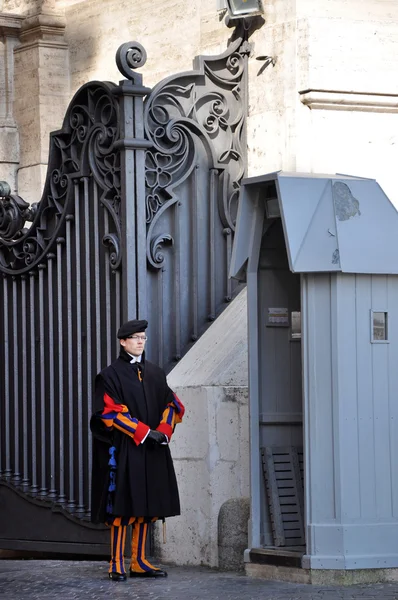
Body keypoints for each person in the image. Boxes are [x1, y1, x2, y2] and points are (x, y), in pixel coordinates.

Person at [90, 319, 184, 581]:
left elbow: (172, 404)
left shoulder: (155, 372)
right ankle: (117, 561)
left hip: (154, 449)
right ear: (123, 341)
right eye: (135, 337)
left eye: (143, 337)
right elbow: (109, 412)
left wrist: (164, 431)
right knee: (123, 505)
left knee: (147, 504)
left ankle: (139, 561)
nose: (141, 341)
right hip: (124, 449)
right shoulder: (108, 376)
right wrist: (144, 433)